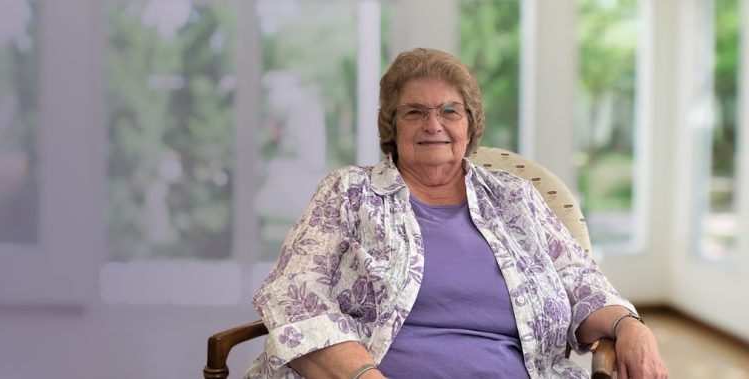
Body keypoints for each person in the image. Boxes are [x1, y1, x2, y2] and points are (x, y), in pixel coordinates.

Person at [243, 48, 666, 379]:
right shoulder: (348, 192)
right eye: (415, 111)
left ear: (470, 124)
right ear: (393, 126)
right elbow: (293, 295)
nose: (434, 124)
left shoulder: (515, 197)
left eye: (450, 110)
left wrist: (631, 326)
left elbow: (581, 281)